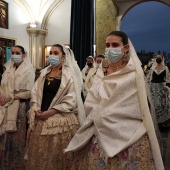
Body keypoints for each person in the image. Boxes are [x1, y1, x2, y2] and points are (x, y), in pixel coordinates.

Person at [65, 31, 164, 170]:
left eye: (115, 45)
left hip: (130, 132)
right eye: (107, 45)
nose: (110, 48)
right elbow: (93, 98)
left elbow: (138, 104)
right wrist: (99, 114)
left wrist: (112, 113)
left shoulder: (134, 73)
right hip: (99, 126)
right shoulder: (102, 71)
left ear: (126, 48)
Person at [25, 44, 85, 170]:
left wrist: (51, 111)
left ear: (63, 57)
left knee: (56, 159)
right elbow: (35, 92)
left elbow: (72, 99)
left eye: (55, 53)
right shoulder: (44, 72)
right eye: (50, 53)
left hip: (60, 122)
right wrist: (35, 108)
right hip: (40, 119)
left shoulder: (70, 76)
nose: (51, 55)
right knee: (39, 156)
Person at [0, 45, 35, 169]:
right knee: (4, 136)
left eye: (17, 53)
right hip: (5, 106)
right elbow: (2, 86)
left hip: (20, 107)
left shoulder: (29, 71)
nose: (14, 55)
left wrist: (12, 97)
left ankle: (17, 164)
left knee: (17, 137)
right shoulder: (8, 70)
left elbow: (29, 92)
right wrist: (1, 95)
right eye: (13, 53)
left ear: (23, 55)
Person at [147, 54, 170, 127]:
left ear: (162, 58)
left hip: (162, 88)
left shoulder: (165, 68)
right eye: (157, 57)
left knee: (162, 104)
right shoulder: (152, 68)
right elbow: (149, 78)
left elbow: (168, 78)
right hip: (153, 88)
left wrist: (166, 86)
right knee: (154, 104)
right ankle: (153, 121)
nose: (158, 58)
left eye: (160, 57)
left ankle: (162, 122)